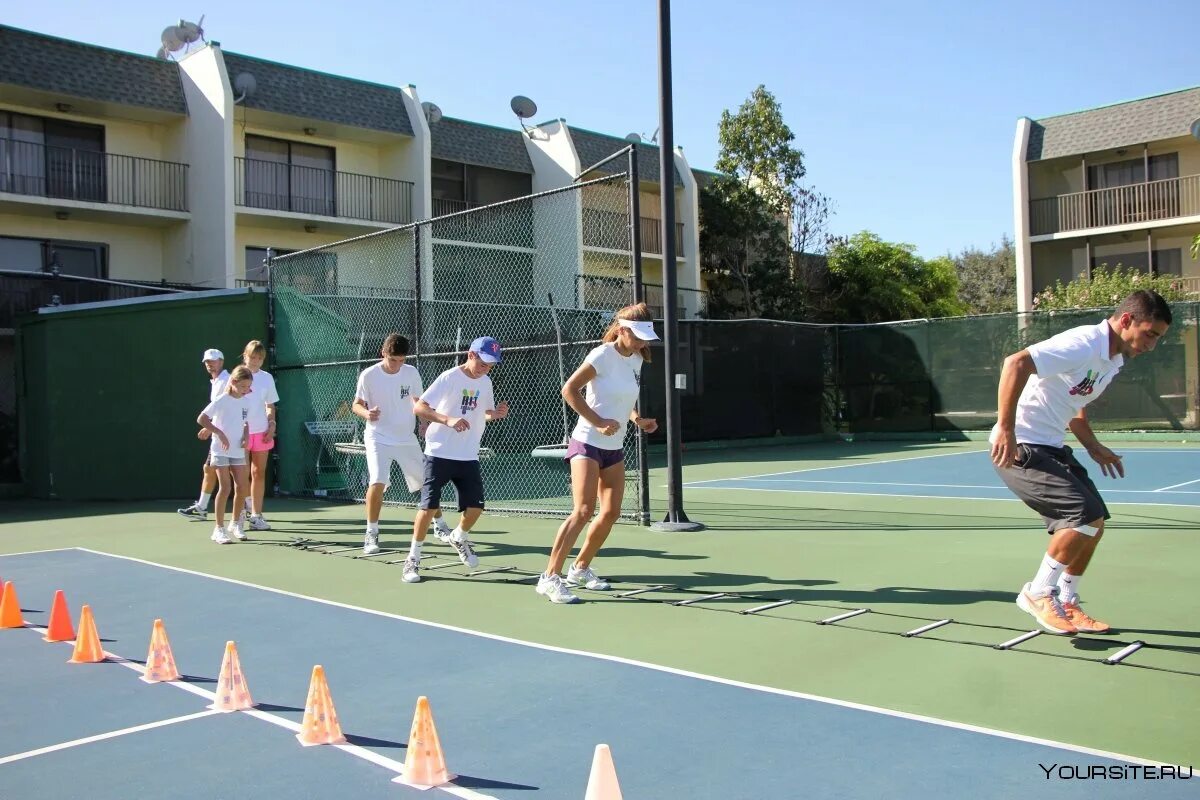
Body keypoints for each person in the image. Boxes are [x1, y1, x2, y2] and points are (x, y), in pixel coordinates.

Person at [991, 290, 1171, 635]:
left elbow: (1074, 403)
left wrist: (1092, 445)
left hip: (1050, 446)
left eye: (1158, 338)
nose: (1152, 345)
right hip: (1022, 446)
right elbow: (1016, 362)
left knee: (1096, 522)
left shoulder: (1112, 359)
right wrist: (1005, 428)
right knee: (1082, 516)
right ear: (1126, 320)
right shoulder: (1085, 343)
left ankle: (1068, 601)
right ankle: (1038, 592)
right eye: (1150, 334)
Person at [536, 303, 659, 604]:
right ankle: (549, 577)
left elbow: (622, 398)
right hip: (587, 442)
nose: (644, 342)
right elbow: (569, 390)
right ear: (622, 330)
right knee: (582, 511)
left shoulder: (638, 359)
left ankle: (580, 568)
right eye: (639, 336)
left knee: (610, 513)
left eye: (646, 337)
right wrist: (599, 422)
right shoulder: (601, 355)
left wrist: (636, 418)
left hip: (613, 447)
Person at [402, 336, 509, 583]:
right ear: (471, 355)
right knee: (428, 508)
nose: (486, 368)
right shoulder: (449, 377)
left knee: (476, 508)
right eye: (483, 362)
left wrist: (495, 414)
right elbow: (419, 407)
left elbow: (483, 412)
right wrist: (447, 420)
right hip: (439, 452)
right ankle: (413, 559)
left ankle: (458, 537)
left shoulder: (486, 382)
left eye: (491, 364)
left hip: (468, 455)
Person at [351, 333, 453, 555]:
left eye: (401, 360)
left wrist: (424, 422)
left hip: (406, 439)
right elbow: (356, 405)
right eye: (393, 360)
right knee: (377, 480)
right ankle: (371, 532)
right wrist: (367, 414)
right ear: (383, 353)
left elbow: (418, 402)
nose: (397, 365)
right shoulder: (368, 375)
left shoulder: (411, 373)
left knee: (427, 483)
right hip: (377, 437)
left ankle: (439, 525)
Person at [198, 365, 255, 544]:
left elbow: (245, 423)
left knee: (242, 487)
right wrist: (219, 433)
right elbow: (202, 419)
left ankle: (236, 524)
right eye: (243, 386)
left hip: (237, 449)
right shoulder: (222, 400)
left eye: (248, 387)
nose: (246, 390)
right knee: (225, 487)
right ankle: (219, 529)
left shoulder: (246, 401)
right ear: (233, 382)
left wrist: (246, 437)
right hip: (220, 449)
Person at [177, 348, 230, 521]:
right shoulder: (216, 381)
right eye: (207, 362)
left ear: (221, 361)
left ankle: (251, 510)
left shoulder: (226, 381)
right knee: (210, 469)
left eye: (213, 361)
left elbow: (226, 408)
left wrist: (209, 427)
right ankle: (201, 507)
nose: (210, 365)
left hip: (226, 434)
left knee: (235, 472)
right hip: (219, 434)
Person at [241, 340, 279, 531]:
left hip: (262, 432)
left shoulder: (267, 378)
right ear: (245, 356)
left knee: (258, 473)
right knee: (242, 475)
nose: (255, 361)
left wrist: (271, 424)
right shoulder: (237, 376)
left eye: (259, 358)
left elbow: (270, 405)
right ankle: (243, 510)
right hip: (240, 434)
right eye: (252, 357)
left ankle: (256, 515)